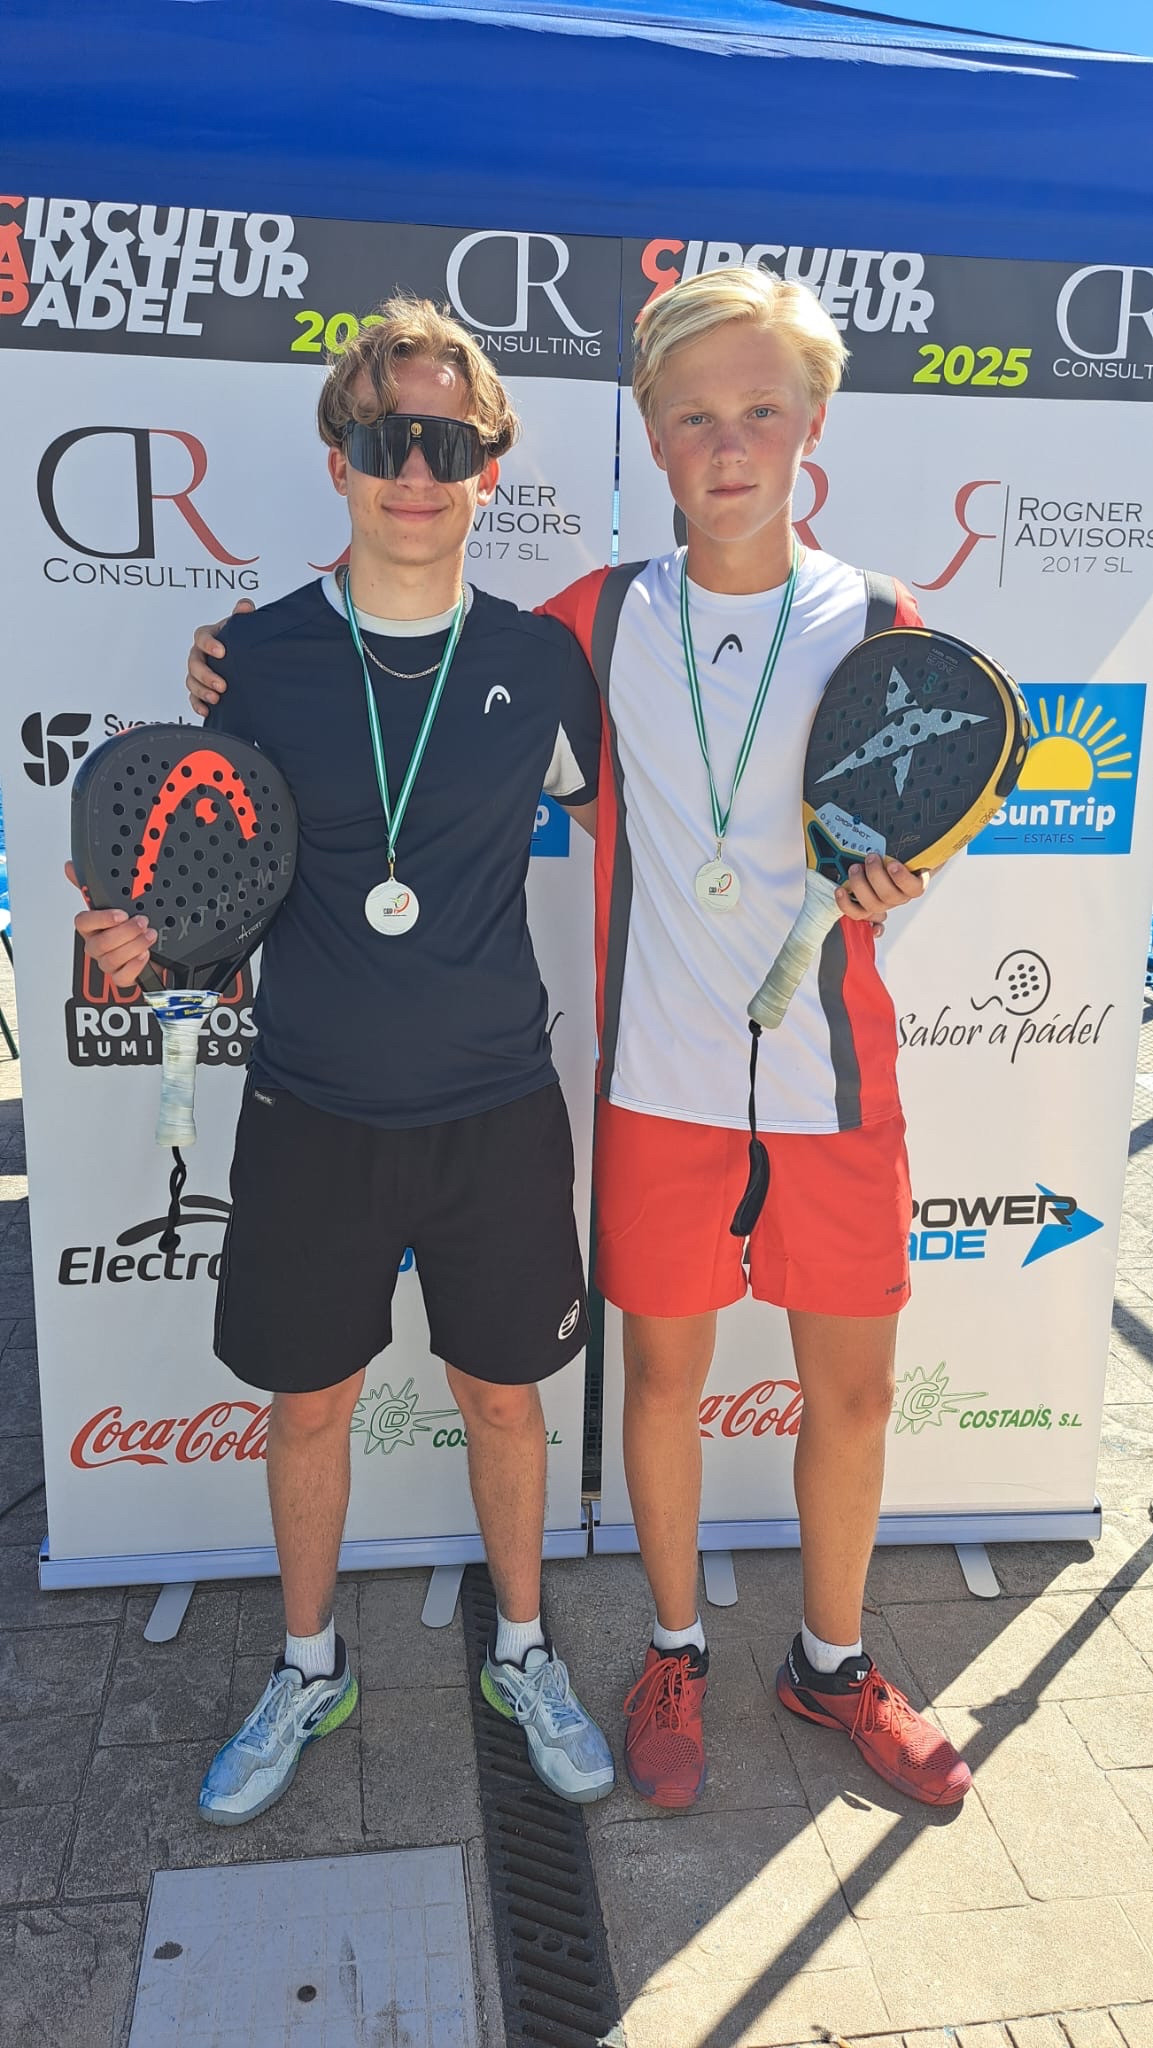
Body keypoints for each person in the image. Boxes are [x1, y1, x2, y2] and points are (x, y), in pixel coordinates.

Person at [185, 268, 972, 1813]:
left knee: (856, 1398)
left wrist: (910, 873)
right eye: (693, 418)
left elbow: (934, 800)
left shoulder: (878, 620)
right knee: (657, 1388)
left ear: (812, 423)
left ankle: (831, 1663)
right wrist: (234, 659)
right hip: (656, 1086)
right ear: (651, 437)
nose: (727, 445)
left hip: (832, 1083)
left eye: (759, 412)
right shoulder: (590, 624)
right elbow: (390, 617)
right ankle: (670, 1651)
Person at [72, 295, 615, 1824]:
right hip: (310, 1107)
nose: (414, 470)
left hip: (495, 1110)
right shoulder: (249, 661)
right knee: (307, 1406)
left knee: (503, 1401)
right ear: (338, 461)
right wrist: (152, 949)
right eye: (383, 441)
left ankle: (523, 1651)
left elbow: (653, 827)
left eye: (444, 440)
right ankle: (308, 1666)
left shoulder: (542, 664)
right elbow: (212, 890)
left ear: (487, 463)